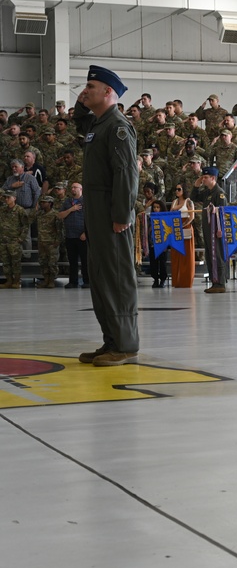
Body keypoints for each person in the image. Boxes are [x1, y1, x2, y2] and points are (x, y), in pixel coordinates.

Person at [73, 65, 140, 366]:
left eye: (91, 85)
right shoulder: (98, 124)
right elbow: (78, 117)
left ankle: (125, 345)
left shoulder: (118, 126)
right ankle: (111, 341)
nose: (85, 90)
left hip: (113, 213)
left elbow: (126, 174)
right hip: (98, 212)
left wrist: (122, 214)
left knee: (116, 277)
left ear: (109, 92)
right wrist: (84, 96)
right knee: (100, 278)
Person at [191, 166, 228, 293]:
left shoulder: (219, 193)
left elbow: (222, 214)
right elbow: (194, 198)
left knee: (217, 254)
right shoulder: (207, 192)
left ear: (213, 178)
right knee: (209, 255)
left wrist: (220, 230)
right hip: (207, 229)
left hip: (216, 230)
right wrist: (196, 186)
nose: (203, 180)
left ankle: (220, 282)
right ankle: (214, 281)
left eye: (206, 178)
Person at [31, 195, 63, 288]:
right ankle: (46, 280)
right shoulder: (39, 214)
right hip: (41, 242)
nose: (42, 204)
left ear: (50, 204)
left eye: (44, 202)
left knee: (52, 263)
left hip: (52, 243)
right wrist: (35, 209)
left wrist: (57, 241)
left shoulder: (55, 214)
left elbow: (60, 229)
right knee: (43, 262)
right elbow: (29, 219)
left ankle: (52, 281)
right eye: (41, 202)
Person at [170, 181, 196, 288]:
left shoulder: (188, 202)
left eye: (179, 189)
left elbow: (192, 217)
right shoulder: (174, 201)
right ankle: (177, 280)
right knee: (176, 254)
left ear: (184, 190)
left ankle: (186, 280)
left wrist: (183, 226)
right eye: (176, 189)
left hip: (185, 227)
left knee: (187, 254)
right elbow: (171, 212)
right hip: (175, 227)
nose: (177, 191)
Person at [0, 189, 28, 288]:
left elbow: (25, 226)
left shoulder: (20, 210)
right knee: (6, 262)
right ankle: (9, 281)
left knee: (16, 262)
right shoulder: (2, 210)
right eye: (5, 197)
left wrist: (21, 238)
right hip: (3, 241)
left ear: (14, 198)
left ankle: (17, 281)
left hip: (14, 240)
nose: (6, 199)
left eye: (8, 197)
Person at [146, 198, 170, 288]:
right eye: (154, 207)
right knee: (153, 263)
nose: (156, 209)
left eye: (158, 207)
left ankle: (162, 280)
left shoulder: (165, 218)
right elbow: (147, 231)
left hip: (162, 244)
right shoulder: (150, 218)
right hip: (153, 244)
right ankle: (155, 279)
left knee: (162, 263)